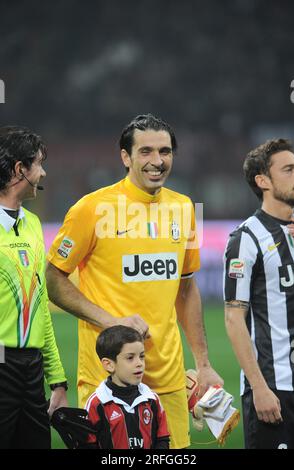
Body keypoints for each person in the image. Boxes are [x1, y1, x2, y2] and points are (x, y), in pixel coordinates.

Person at [46, 113, 223, 448]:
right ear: (125, 157)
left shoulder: (184, 208)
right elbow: (53, 280)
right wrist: (113, 324)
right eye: (146, 152)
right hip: (107, 379)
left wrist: (203, 364)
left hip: (168, 379)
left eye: (165, 151)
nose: (157, 161)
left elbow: (186, 288)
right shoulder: (91, 209)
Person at [224, 138, 294, 449]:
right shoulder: (246, 239)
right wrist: (259, 388)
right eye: (289, 169)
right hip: (275, 391)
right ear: (263, 181)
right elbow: (233, 318)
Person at [0, 126, 68, 449]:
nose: (43, 171)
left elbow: (40, 306)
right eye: (39, 163)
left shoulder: (33, 225)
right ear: (19, 170)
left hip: (32, 371)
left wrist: (56, 378)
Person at [84, 325, 169, 449]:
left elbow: (162, 440)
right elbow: (89, 444)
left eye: (141, 356)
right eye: (130, 358)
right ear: (109, 365)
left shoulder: (152, 399)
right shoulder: (96, 404)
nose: (139, 363)